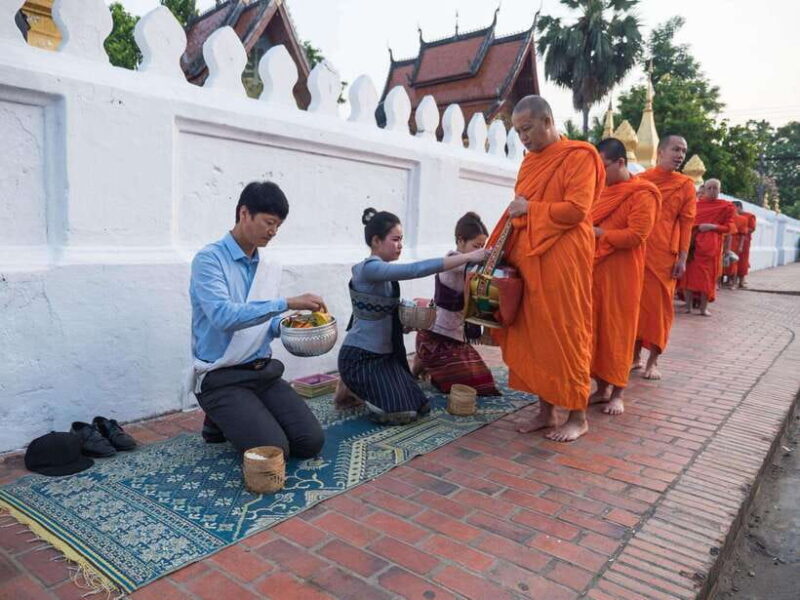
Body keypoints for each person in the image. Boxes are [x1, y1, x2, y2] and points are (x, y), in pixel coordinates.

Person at [489, 95, 604, 442]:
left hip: (564, 257)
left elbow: (576, 210)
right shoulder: (529, 163)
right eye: (517, 131)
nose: (523, 137)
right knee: (536, 335)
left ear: (548, 121)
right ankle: (546, 411)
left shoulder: (580, 156)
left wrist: (530, 209)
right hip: (530, 257)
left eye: (527, 129)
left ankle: (578, 416)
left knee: (566, 332)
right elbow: (519, 210)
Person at [190, 181, 325, 459]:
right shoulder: (209, 260)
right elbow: (223, 317)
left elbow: (265, 323)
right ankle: (219, 413)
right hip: (222, 374)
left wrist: (297, 324)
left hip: (261, 371)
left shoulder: (267, 265)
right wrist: (286, 303)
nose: (273, 232)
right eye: (268, 222)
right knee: (274, 451)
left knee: (309, 441)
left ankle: (227, 418)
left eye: (278, 225)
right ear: (244, 213)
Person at [335, 208, 490, 425]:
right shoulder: (368, 269)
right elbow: (415, 270)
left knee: (420, 405)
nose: (400, 245)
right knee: (401, 413)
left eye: (402, 240)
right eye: (395, 239)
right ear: (376, 240)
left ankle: (360, 388)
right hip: (361, 358)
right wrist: (470, 256)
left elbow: (384, 314)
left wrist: (403, 323)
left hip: (385, 358)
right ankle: (352, 385)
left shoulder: (386, 275)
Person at [589, 138, 660, 416]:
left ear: (620, 162)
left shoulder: (644, 192)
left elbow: (637, 235)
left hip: (623, 273)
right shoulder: (599, 191)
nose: (599, 174)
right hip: (594, 270)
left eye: (603, 167)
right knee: (596, 329)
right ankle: (601, 387)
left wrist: (600, 235)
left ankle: (618, 392)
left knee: (619, 330)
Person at [412, 212, 500, 396]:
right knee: (467, 383)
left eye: (482, 246)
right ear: (461, 241)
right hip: (436, 336)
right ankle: (424, 368)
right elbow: (472, 266)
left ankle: (428, 368)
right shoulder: (453, 259)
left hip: (455, 336)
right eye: (476, 246)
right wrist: (486, 256)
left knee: (483, 383)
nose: (479, 251)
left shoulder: (469, 262)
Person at [633, 135, 697, 380]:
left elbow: (687, 222)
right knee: (636, 305)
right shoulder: (641, 180)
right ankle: (634, 357)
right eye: (676, 149)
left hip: (664, 258)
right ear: (660, 151)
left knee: (659, 310)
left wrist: (682, 257)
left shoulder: (685, 186)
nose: (680, 155)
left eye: (683, 151)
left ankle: (653, 361)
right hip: (639, 251)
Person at [680, 179, 735, 315]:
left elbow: (730, 227)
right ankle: (688, 306)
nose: (712, 191)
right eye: (709, 188)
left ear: (719, 190)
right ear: (704, 190)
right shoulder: (695, 205)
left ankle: (703, 308)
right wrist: (697, 227)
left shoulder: (726, 207)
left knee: (707, 278)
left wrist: (712, 226)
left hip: (712, 247)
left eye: (715, 188)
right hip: (693, 245)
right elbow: (685, 223)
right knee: (689, 277)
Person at [726, 201, 757, 288]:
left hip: (744, 241)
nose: (732, 209)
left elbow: (752, 228)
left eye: (734, 207)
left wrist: (741, 229)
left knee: (743, 261)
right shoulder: (731, 216)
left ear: (739, 207)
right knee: (731, 260)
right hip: (732, 240)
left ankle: (741, 280)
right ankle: (730, 279)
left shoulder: (749, 216)